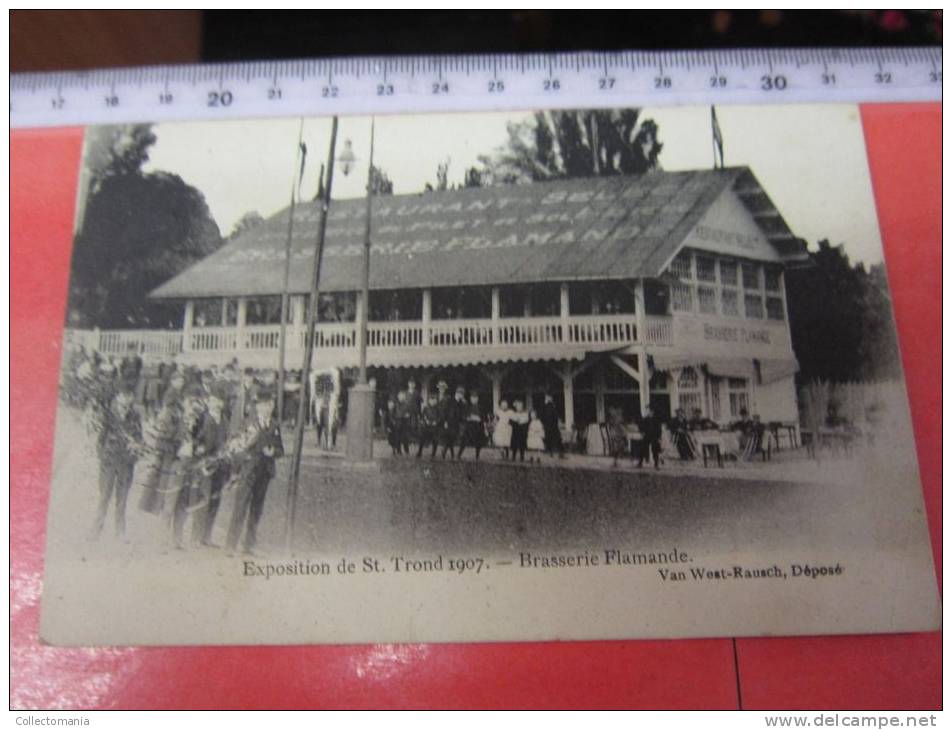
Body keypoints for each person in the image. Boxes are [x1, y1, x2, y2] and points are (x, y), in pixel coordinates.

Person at [226, 388, 284, 556]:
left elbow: (281, 449)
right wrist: (246, 460)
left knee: (256, 509)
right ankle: (231, 544)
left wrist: (273, 452)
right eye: (264, 405)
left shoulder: (274, 425)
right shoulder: (248, 423)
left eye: (270, 405)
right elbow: (236, 446)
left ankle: (249, 545)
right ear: (257, 407)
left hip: (265, 472)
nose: (267, 408)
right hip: (249, 471)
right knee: (240, 506)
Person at [91, 384, 142, 539]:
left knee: (122, 498)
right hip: (110, 461)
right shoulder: (107, 413)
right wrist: (103, 457)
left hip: (126, 463)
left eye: (129, 396)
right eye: (124, 396)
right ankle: (95, 530)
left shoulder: (135, 415)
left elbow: (139, 437)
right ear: (118, 396)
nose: (127, 400)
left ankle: (120, 532)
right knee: (104, 496)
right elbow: (100, 438)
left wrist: (136, 448)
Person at [138, 370, 186, 516]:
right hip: (167, 444)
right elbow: (168, 423)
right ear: (173, 380)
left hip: (164, 443)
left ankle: (147, 504)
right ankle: (155, 505)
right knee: (162, 475)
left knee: (156, 473)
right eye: (179, 380)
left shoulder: (175, 397)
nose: (181, 382)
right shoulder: (171, 399)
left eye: (182, 380)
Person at [192, 381, 232, 547]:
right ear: (209, 401)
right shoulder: (201, 418)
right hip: (204, 466)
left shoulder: (224, 420)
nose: (218, 404)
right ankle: (196, 537)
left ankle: (207, 536)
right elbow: (193, 439)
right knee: (203, 500)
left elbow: (228, 441)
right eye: (215, 400)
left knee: (215, 501)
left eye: (221, 401)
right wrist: (199, 449)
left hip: (220, 466)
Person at [170, 383, 209, 549]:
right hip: (179, 464)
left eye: (197, 402)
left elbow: (204, 440)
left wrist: (199, 446)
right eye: (190, 401)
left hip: (194, 464)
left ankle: (190, 538)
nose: (193, 405)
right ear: (184, 401)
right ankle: (174, 538)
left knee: (191, 500)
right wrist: (179, 448)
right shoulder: (176, 418)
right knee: (175, 501)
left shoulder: (201, 420)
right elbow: (167, 440)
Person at [457, 392, 485, 460]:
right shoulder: (468, 407)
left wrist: (478, 418)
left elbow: (483, 417)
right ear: (470, 399)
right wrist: (468, 418)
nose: (473, 400)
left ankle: (477, 456)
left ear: (477, 399)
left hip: (478, 426)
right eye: (472, 398)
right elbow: (463, 415)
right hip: (470, 426)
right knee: (464, 441)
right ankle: (459, 455)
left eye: (475, 398)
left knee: (478, 442)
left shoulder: (481, 407)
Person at [440, 385, 465, 460]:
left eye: (462, 394)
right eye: (459, 393)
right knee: (449, 438)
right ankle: (445, 452)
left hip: (456, 423)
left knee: (452, 438)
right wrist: (445, 421)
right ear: (456, 393)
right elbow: (445, 411)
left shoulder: (461, 403)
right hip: (449, 422)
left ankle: (449, 453)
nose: (460, 395)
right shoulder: (449, 401)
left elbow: (461, 413)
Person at [416, 393, 441, 459]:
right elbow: (422, 416)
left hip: (434, 427)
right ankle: (419, 452)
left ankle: (433, 453)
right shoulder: (426, 408)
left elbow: (440, 417)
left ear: (436, 401)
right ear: (429, 401)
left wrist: (436, 422)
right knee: (422, 439)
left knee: (435, 440)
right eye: (431, 400)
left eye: (434, 400)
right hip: (426, 426)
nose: (432, 402)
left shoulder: (438, 408)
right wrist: (425, 420)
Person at [638, 405, 663, 469]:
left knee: (655, 450)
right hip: (647, 436)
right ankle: (640, 463)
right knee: (643, 448)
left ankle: (656, 464)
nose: (647, 412)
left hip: (654, 436)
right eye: (646, 410)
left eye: (648, 410)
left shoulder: (656, 419)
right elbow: (641, 427)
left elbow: (659, 429)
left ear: (652, 411)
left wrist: (659, 437)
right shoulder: (645, 419)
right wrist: (642, 432)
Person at [540, 393, 565, 458]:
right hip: (552, 425)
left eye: (546, 398)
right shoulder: (552, 406)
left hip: (550, 425)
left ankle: (551, 452)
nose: (545, 399)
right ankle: (558, 453)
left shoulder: (549, 406)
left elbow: (544, 416)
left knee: (551, 438)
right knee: (555, 439)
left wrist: (544, 423)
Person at [394, 390, 412, 455]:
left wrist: (408, 415)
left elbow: (409, 412)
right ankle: (398, 450)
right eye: (400, 396)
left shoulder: (407, 404)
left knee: (405, 437)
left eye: (403, 396)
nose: (402, 398)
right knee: (398, 437)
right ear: (398, 397)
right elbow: (397, 413)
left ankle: (406, 450)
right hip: (398, 422)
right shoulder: (396, 404)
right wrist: (403, 415)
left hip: (405, 423)